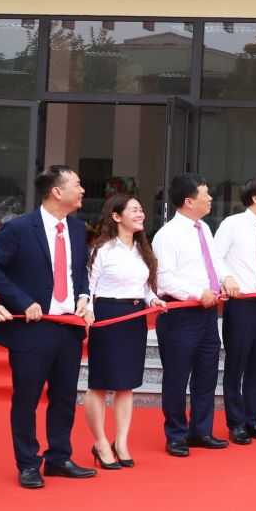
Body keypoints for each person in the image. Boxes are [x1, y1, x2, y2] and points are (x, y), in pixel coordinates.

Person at [0, 165, 98, 488]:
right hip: (32, 328)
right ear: (57, 192)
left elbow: (79, 272)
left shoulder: (77, 229)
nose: (82, 191)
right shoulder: (19, 228)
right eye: (77, 185)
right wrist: (21, 301)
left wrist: (84, 296)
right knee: (27, 398)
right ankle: (28, 463)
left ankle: (59, 457)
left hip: (68, 327)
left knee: (64, 397)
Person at [151, 173, 234, 456]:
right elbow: (164, 280)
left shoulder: (204, 229)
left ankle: (201, 430)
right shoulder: (167, 235)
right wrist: (198, 293)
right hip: (180, 314)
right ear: (188, 201)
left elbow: (214, 262)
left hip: (207, 314)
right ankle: (176, 434)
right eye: (205, 194)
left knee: (206, 374)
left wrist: (226, 278)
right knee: (177, 377)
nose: (210, 198)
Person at [84, 194, 166, 470]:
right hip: (107, 315)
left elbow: (144, 287)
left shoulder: (142, 249)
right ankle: (100, 443)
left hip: (134, 319)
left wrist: (152, 300)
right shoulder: (102, 249)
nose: (140, 214)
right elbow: (88, 286)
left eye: (141, 209)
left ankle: (121, 442)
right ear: (116, 217)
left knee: (126, 384)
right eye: (134, 210)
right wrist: (87, 310)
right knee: (99, 383)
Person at [212, 178, 256, 445]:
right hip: (240, 303)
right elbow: (216, 257)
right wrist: (227, 278)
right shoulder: (232, 224)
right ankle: (236, 423)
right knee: (237, 364)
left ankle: (253, 419)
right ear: (255, 198)